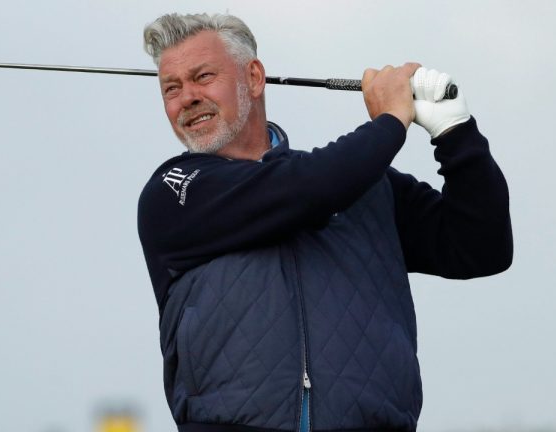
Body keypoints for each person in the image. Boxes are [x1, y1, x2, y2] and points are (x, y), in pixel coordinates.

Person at [137, 12, 512, 432]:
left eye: (202, 77)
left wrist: (454, 130)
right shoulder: (175, 191)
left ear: (255, 78)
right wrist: (391, 119)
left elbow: (482, 247)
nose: (186, 97)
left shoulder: (363, 186)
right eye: (172, 87)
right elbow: (304, 190)